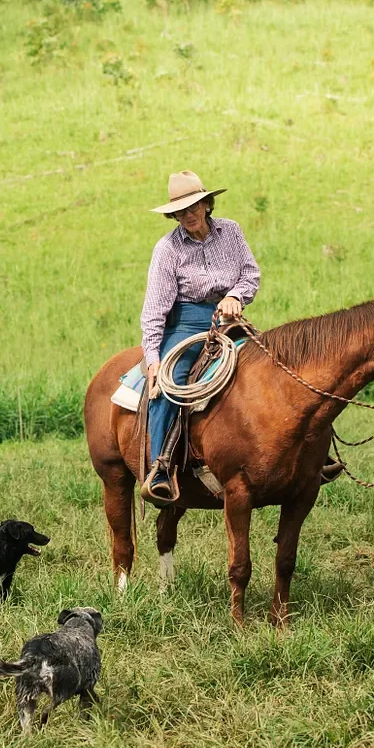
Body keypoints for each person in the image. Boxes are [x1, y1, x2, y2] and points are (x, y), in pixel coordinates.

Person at [139, 170, 260, 502]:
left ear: (207, 204)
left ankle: (310, 456)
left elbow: (250, 272)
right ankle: (160, 469)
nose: (188, 215)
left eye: (193, 206)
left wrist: (236, 296)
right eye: (180, 210)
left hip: (229, 320)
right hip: (185, 326)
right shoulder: (167, 249)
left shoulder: (231, 231)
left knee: (275, 368)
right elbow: (154, 310)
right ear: (174, 215)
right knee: (167, 385)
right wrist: (152, 360)